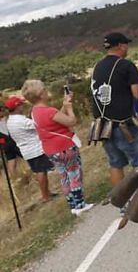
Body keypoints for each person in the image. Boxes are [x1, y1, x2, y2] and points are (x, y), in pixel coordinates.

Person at [22, 80, 94, 216]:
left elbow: (56, 119)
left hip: (51, 150)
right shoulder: (49, 110)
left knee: (64, 176)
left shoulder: (36, 111)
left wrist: (64, 105)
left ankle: (72, 204)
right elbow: (71, 121)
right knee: (74, 174)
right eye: (44, 89)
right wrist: (70, 108)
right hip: (65, 146)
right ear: (41, 94)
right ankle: (80, 204)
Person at [90, 32, 138, 195]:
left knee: (116, 164)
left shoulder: (97, 67)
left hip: (103, 127)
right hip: (125, 125)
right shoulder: (126, 65)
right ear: (121, 46)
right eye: (126, 45)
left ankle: (122, 201)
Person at [5, 95, 57, 202]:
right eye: (21, 104)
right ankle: (45, 196)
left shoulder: (10, 121)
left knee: (42, 171)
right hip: (35, 150)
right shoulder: (20, 120)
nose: (23, 106)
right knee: (41, 171)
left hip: (28, 150)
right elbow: (38, 124)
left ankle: (47, 193)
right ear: (17, 106)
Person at [0, 105, 20, 177]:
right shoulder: (5, 120)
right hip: (11, 142)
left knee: (11, 159)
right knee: (25, 155)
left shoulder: (5, 119)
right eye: (1, 111)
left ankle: (14, 177)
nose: (2, 112)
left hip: (5, 145)